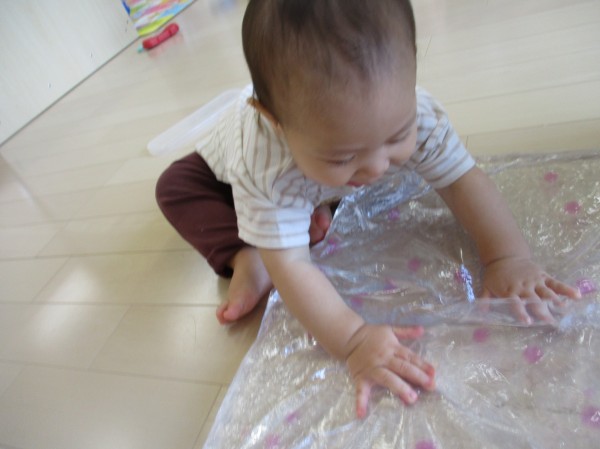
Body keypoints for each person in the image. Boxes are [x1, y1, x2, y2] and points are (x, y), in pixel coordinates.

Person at [156, 0, 580, 418]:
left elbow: (461, 180)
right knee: (174, 187)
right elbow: (292, 266)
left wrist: (507, 257)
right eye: (344, 155)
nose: (378, 167)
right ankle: (246, 252)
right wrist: (353, 338)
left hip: (308, 176)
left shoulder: (414, 115)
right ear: (274, 121)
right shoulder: (265, 165)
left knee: (344, 177)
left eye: (397, 135)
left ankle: (307, 207)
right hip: (227, 171)